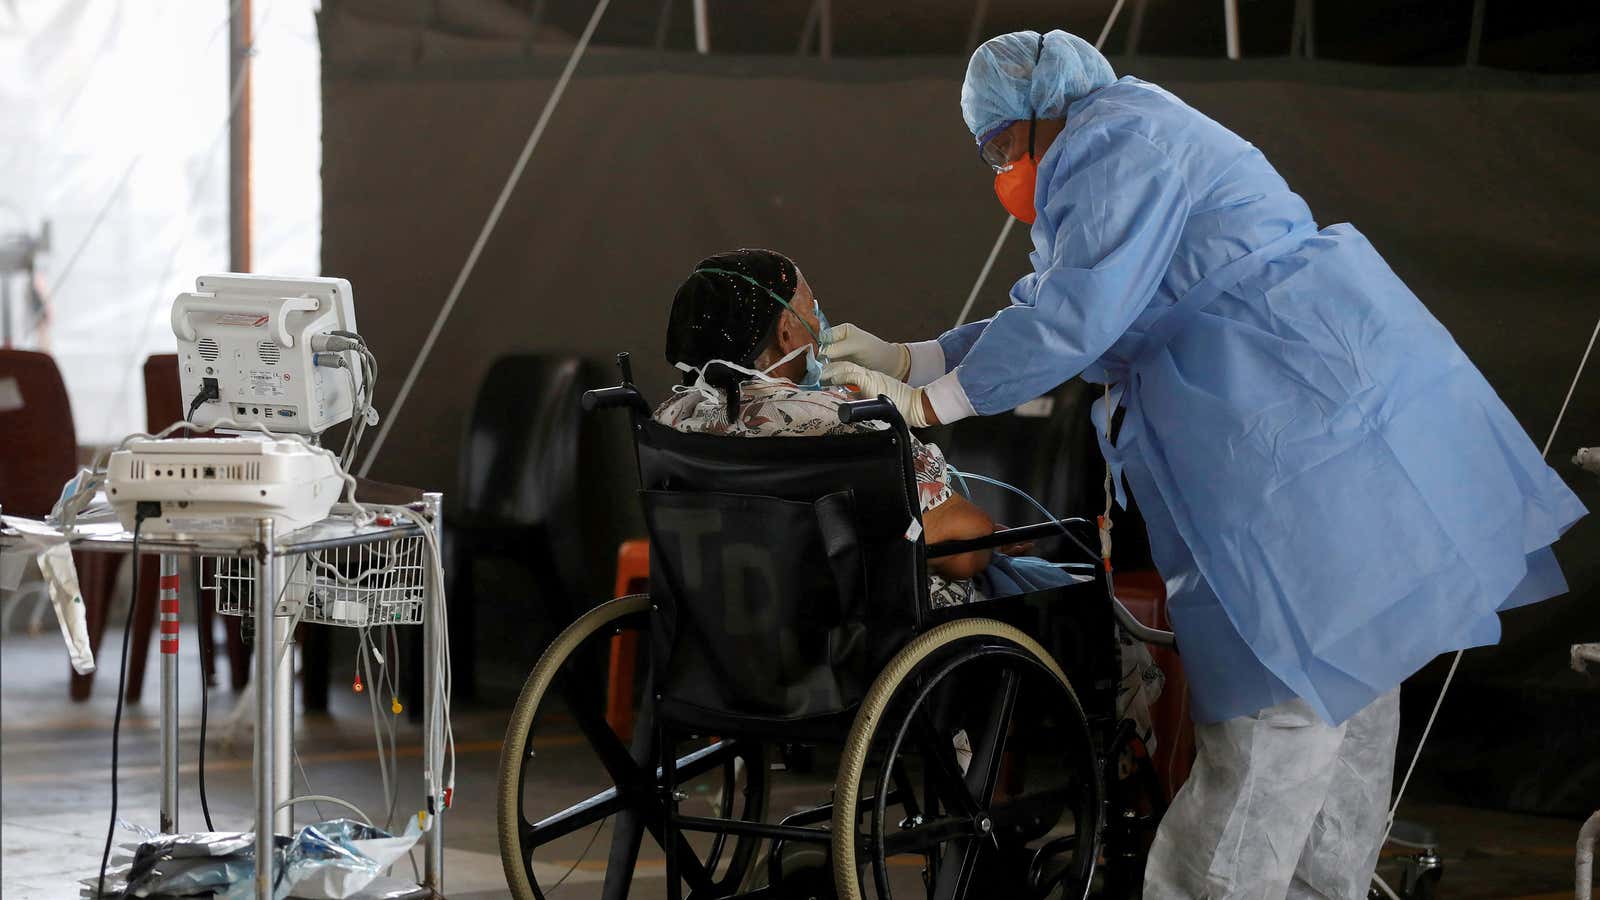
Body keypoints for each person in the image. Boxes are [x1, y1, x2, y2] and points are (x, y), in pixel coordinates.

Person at [820, 30, 1588, 900]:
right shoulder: (1129, 137)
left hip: (1293, 428)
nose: (1000, 169)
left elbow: (1078, 317)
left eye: (1000, 146)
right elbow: (1057, 305)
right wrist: (910, 357)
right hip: (1326, 416)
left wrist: (932, 404)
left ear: (1041, 115)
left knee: (1282, 710)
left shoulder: (1112, 143)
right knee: (1348, 683)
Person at [655, 247, 1163, 735]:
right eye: (812, 307)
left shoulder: (671, 423)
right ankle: (1113, 780)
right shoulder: (845, 422)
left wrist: (906, 361)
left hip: (731, 647)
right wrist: (985, 535)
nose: (821, 320)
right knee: (1075, 603)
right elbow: (957, 550)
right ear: (789, 331)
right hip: (863, 652)